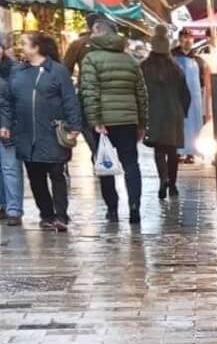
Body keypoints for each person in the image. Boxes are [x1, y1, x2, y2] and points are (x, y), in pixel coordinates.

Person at [0, 31, 83, 232]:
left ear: (37, 47)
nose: (21, 47)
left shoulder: (57, 71)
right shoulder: (18, 72)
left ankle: (61, 215)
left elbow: (69, 100)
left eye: (24, 43)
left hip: (53, 131)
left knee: (56, 174)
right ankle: (46, 214)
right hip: (26, 133)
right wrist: (6, 124)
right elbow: (8, 102)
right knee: (36, 177)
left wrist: (74, 126)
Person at [78, 17, 148, 225]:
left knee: (105, 165)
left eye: (92, 31)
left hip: (104, 124)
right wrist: (142, 123)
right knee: (131, 164)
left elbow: (89, 92)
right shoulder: (130, 60)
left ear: (99, 32)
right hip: (128, 121)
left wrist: (95, 120)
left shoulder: (91, 59)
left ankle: (113, 209)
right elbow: (141, 94)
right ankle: (134, 206)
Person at [142, 26, 190, 200]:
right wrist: (183, 111)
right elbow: (186, 94)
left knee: (159, 150)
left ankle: (163, 179)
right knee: (172, 150)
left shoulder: (144, 68)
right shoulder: (176, 69)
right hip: (174, 113)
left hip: (154, 114)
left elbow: (139, 92)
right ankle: (173, 184)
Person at [0, 39, 23, 225]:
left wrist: (8, 124)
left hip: (9, 127)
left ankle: (14, 209)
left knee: (10, 168)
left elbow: (15, 101)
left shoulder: (14, 70)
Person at [174, 30, 204, 162]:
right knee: (178, 123)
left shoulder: (198, 59)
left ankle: (191, 152)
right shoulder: (171, 57)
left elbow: (202, 80)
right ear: (180, 39)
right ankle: (178, 151)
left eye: (190, 38)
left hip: (194, 99)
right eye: (185, 38)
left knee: (193, 123)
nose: (188, 41)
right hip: (176, 96)